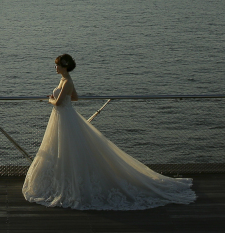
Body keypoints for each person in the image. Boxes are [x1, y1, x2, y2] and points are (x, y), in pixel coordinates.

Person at [22, 53, 196, 210]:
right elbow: (74, 97)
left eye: (58, 65)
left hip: (64, 117)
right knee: (66, 148)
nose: (56, 67)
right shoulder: (65, 80)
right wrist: (61, 98)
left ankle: (69, 183)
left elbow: (59, 103)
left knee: (66, 148)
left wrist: (51, 100)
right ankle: (66, 180)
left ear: (65, 66)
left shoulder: (66, 81)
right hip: (65, 117)